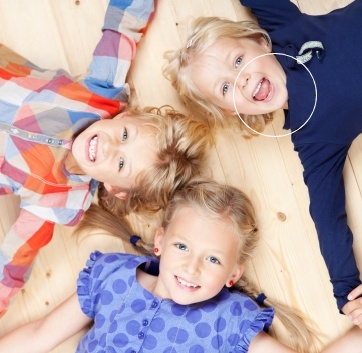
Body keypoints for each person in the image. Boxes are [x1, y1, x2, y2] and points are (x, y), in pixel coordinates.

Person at [0, 0, 212, 315]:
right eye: (126, 135)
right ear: (125, 116)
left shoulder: (57, 200)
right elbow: (122, 25)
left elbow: (11, 265)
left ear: (115, 189)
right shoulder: (100, 95)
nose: (111, 146)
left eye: (121, 164)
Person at [162, 0, 362, 325]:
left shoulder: (285, 27)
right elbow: (327, 218)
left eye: (238, 60)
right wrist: (348, 292)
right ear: (230, 110)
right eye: (225, 87)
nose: (240, 79)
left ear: (260, 40)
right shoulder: (313, 138)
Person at [2, 178, 361, 353]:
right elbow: (39, 335)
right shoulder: (111, 277)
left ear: (233, 274)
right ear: (160, 242)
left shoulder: (228, 321)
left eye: (213, 259)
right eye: (182, 246)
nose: (192, 267)